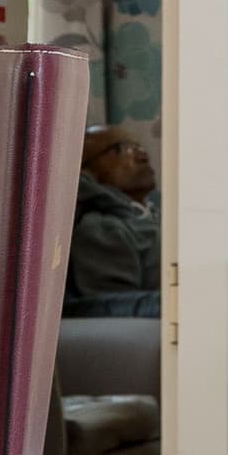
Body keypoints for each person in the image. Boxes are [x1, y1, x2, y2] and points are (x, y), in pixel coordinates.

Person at [69, 128, 161, 318]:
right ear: (87, 170)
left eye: (140, 147)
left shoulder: (159, 216)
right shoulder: (102, 228)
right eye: (123, 148)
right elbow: (119, 307)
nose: (143, 155)